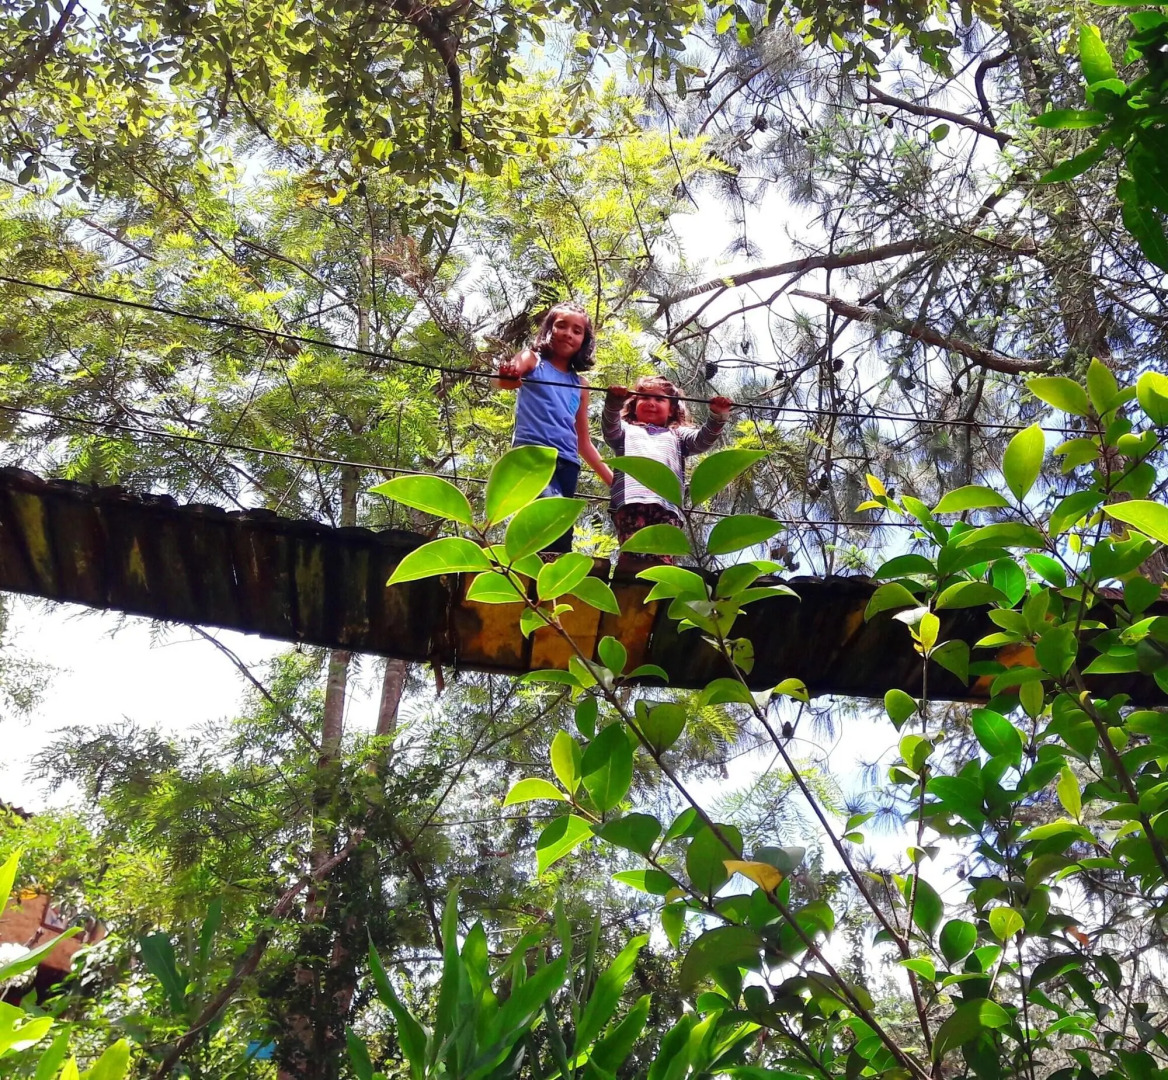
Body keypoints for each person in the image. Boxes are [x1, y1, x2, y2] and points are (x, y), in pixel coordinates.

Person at [495, 301, 614, 553]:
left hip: (567, 465)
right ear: (549, 329)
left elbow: (583, 442)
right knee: (549, 512)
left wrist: (613, 481)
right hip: (532, 457)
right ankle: (529, 572)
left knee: (560, 530)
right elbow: (507, 380)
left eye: (577, 330)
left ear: (584, 341)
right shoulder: (533, 360)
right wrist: (508, 374)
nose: (568, 333)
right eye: (561, 326)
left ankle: (549, 585)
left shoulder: (581, 385)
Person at [602, 376, 732, 567]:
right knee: (632, 552)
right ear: (634, 404)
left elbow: (701, 441)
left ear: (672, 409)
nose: (651, 403)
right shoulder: (627, 431)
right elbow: (610, 429)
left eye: (659, 399)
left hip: (667, 507)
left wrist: (717, 418)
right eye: (644, 398)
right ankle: (628, 589)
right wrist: (614, 403)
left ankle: (659, 591)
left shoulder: (677, 435)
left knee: (663, 558)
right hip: (631, 501)